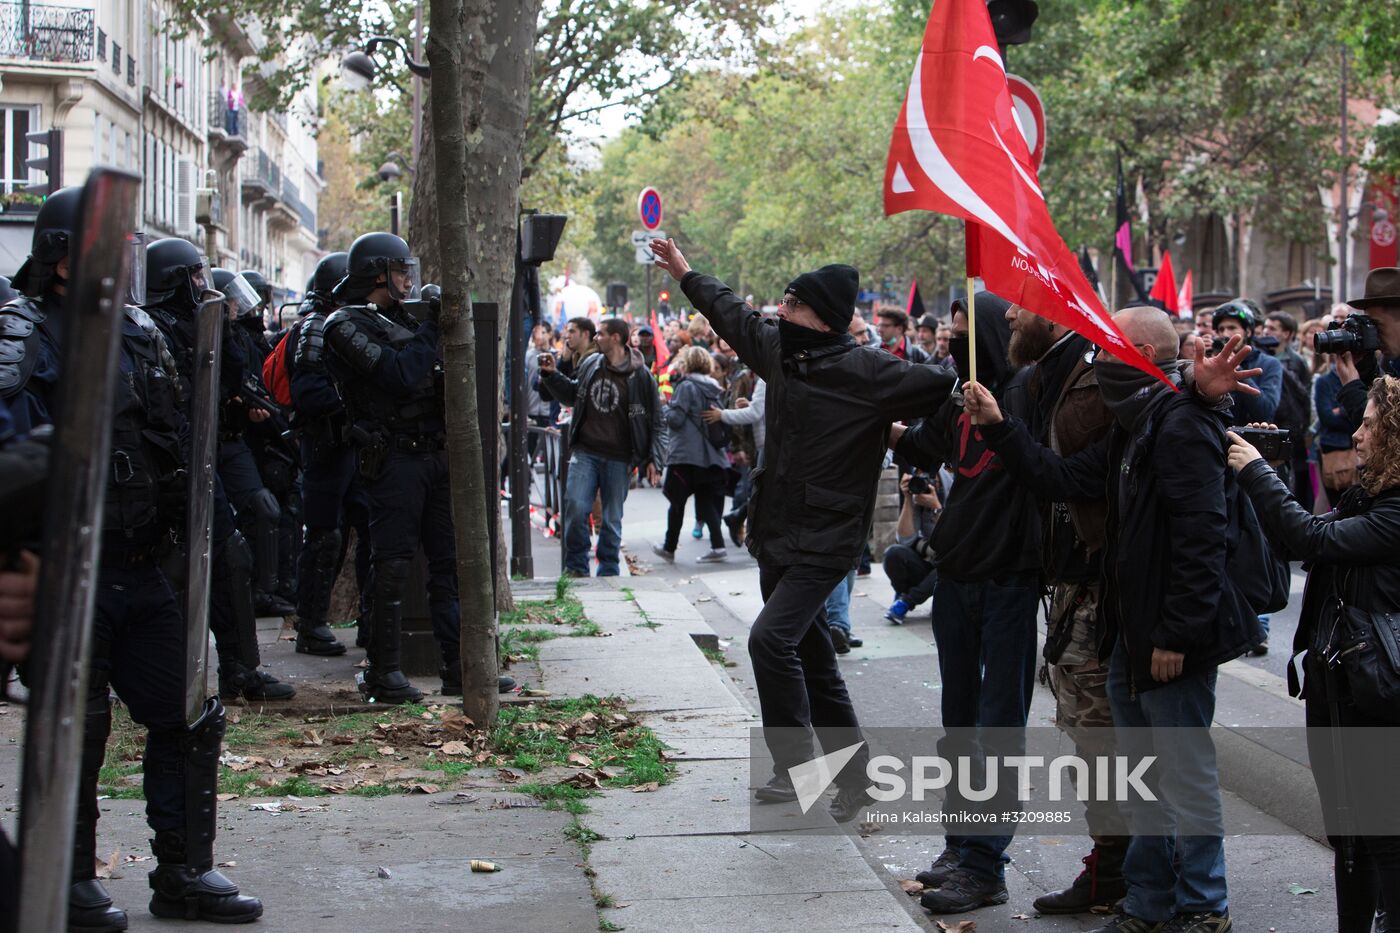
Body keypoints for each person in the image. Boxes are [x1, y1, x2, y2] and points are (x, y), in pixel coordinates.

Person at [5, 188, 264, 928]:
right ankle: (67, 876)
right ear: (62, 255)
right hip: (65, 575)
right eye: (111, 245)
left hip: (143, 564)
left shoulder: (140, 330)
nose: (128, 259)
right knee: (75, 723)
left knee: (187, 712)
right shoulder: (23, 330)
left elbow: (175, 438)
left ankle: (183, 871)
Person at [966, 306, 1265, 933]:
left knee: (1182, 772)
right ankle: (1146, 902)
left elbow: (1200, 539)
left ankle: (1204, 907)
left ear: (1147, 356)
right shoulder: (1141, 420)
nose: (1096, 359)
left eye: (1110, 348)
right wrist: (997, 427)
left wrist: (1175, 635)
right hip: (1129, 629)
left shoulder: (1179, 424)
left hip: (1165, 634)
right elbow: (1067, 477)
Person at [651, 236, 958, 823]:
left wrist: (909, 439)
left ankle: (797, 772)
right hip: (775, 531)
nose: (780, 309)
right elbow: (730, 311)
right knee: (813, 659)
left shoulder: (872, 371)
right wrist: (686, 271)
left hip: (828, 538)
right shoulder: (777, 351)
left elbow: (948, 388)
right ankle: (855, 778)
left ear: (821, 316)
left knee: (770, 641)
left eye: (792, 301)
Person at [1227, 376, 1400, 933]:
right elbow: (1295, 537)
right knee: (1348, 831)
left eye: (1369, 423)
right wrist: (1269, 472)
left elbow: (1314, 541)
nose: (1357, 433)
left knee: (1382, 833)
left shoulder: (1395, 510)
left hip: (1378, 687)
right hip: (1339, 677)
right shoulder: (1366, 495)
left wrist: (1256, 472)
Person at [888, 294, 1039, 913]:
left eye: (963, 335)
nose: (951, 345)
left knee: (997, 726)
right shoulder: (954, 398)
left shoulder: (1028, 394)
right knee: (959, 723)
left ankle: (986, 863)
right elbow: (917, 448)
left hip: (1008, 579)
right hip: (957, 578)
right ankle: (961, 844)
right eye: (948, 335)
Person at [144, 238, 295, 702]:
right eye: (193, 277)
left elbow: (228, 377)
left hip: (198, 462)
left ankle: (239, 669)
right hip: (159, 470)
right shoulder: (151, 329)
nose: (201, 286)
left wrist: (222, 324)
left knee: (231, 557)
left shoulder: (197, 325)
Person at [323, 232, 459, 703]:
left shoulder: (401, 319)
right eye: (400, 271)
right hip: (394, 459)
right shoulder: (342, 326)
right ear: (377, 273)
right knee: (393, 567)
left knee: (449, 565)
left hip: (433, 454)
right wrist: (430, 330)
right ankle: (383, 672)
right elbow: (399, 375)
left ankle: (460, 667)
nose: (408, 280)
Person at [539, 317, 664, 577]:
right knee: (574, 507)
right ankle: (576, 567)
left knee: (611, 518)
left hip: (620, 457)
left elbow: (656, 420)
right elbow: (573, 395)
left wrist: (654, 459)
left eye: (601, 334)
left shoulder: (640, 375)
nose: (596, 338)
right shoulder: (591, 364)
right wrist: (552, 376)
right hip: (586, 451)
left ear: (616, 338)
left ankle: (608, 569)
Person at [286, 251, 358, 658]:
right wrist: (350, 406)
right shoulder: (316, 327)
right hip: (325, 446)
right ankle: (311, 624)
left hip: (345, 446)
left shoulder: (342, 322)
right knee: (324, 536)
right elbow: (309, 392)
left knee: (353, 530)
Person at [652, 345, 730, 563]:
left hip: (686, 453)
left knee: (676, 500)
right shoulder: (713, 387)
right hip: (709, 455)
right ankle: (718, 546)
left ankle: (669, 547)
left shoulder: (686, 386)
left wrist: (665, 406)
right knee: (705, 501)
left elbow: (675, 420)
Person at [1264, 311, 1316, 511]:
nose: (1266, 331)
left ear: (1286, 334)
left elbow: (1304, 397)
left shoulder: (1296, 361)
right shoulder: (1261, 358)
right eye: (1266, 327)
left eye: (1272, 328)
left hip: (1290, 430)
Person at [880, 470, 942, 624]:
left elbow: (955, 542)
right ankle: (902, 594)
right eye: (920, 478)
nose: (924, 484)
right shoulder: (916, 499)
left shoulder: (953, 491)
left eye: (929, 479)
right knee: (893, 553)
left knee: (947, 563)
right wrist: (908, 499)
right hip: (927, 560)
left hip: (948, 564)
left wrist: (936, 508)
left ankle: (906, 602)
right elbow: (905, 540)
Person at [1212, 300, 1281, 425]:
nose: (1225, 334)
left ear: (1248, 332)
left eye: (1232, 328)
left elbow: (1266, 411)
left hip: (1251, 440)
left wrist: (1237, 370)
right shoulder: (1212, 362)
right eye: (1221, 329)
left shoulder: (1270, 364)